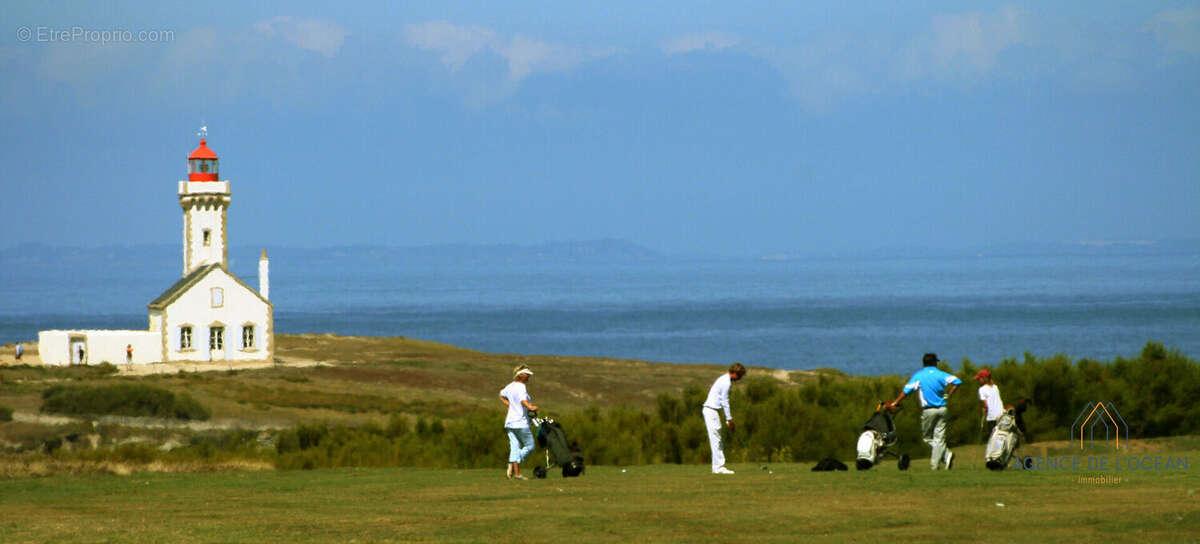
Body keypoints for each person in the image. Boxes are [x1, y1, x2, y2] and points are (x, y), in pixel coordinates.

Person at [889, 353, 962, 470]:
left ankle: (936, 465)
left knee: (928, 438)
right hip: (943, 409)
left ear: (924, 363)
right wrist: (949, 394)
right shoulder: (941, 374)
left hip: (928, 411)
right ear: (934, 363)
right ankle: (946, 455)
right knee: (939, 439)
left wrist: (895, 402)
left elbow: (907, 390)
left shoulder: (919, 375)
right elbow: (957, 381)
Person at [702, 362, 746, 474]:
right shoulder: (726, 382)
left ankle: (718, 467)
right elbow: (725, 401)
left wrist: (728, 419)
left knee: (717, 439)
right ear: (735, 373)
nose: (739, 379)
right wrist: (729, 419)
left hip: (712, 411)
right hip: (711, 410)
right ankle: (718, 468)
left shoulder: (723, 379)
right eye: (739, 376)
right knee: (716, 439)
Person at [498, 365, 538, 480]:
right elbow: (523, 400)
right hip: (520, 422)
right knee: (530, 446)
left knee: (514, 447)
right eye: (527, 374)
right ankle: (512, 462)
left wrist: (509, 405)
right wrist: (531, 407)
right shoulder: (521, 386)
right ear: (521, 375)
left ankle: (517, 474)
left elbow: (501, 395)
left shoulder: (510, 386)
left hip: (510, 422)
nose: (529, 376)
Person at [974, 368, 1003, 439]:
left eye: (979, 379)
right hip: (1001, 414)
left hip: (992, 417)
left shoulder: (981, 389)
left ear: (983, 379)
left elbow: (986, 405)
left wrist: (984, 409)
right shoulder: (996, 387)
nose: (978, 381)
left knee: (993, 438)